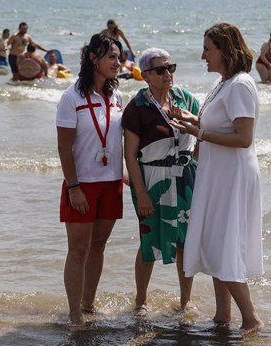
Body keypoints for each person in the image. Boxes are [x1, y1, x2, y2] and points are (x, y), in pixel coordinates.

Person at [169, 23, 264, 334]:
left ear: (225, 50)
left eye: (207, 49)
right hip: (217, 174)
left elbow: (244, 137)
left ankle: (250, 319)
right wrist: (191, 119)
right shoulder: (224, 83)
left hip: (232, 177)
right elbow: (220, 125)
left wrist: (199, 132)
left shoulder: (239, 85)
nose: (202, 56)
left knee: (224, 245)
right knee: (214, 244)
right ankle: (222, 317)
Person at [121, 48, 200, 316]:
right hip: (152, 180)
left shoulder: (186, 99)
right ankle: (141, 301)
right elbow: (129, 155)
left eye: (170, 68)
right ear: (145, 76)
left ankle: (185, 300)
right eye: (160, 70)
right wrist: (140, 192)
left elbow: (202, 135)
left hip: (186, 178)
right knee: (149, 240)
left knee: (185, 241)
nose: (168, 74)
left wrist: (200, 173)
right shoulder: (137, 107)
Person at [55, 34, 125, 325]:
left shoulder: (117, 95)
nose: (118, 63)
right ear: (93, 59)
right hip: (81, 184)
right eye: (112, 57)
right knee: (78, 249)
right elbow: (64, 147)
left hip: (111, 183)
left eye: (119, 57)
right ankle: (74, 314)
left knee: (98, 247)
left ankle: (88, 304)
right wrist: (74, 187)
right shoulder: (71, 97)